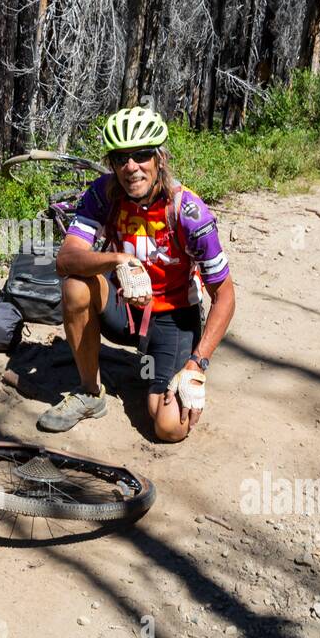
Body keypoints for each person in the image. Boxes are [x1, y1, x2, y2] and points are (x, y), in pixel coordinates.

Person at [37, 107, 236, 442]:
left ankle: (169, 366)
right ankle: (90, 392)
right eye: (120, 158)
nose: (131, 167)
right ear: (112, 163)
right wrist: (116, 260)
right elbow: (66, 259)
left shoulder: (189, 212)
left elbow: (225, 295)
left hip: (173, 318)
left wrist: (197, 365)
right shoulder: (104, 193)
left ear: (159, 158)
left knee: (169, 427)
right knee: (75, 287)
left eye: (142, 155)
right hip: (124, 307)